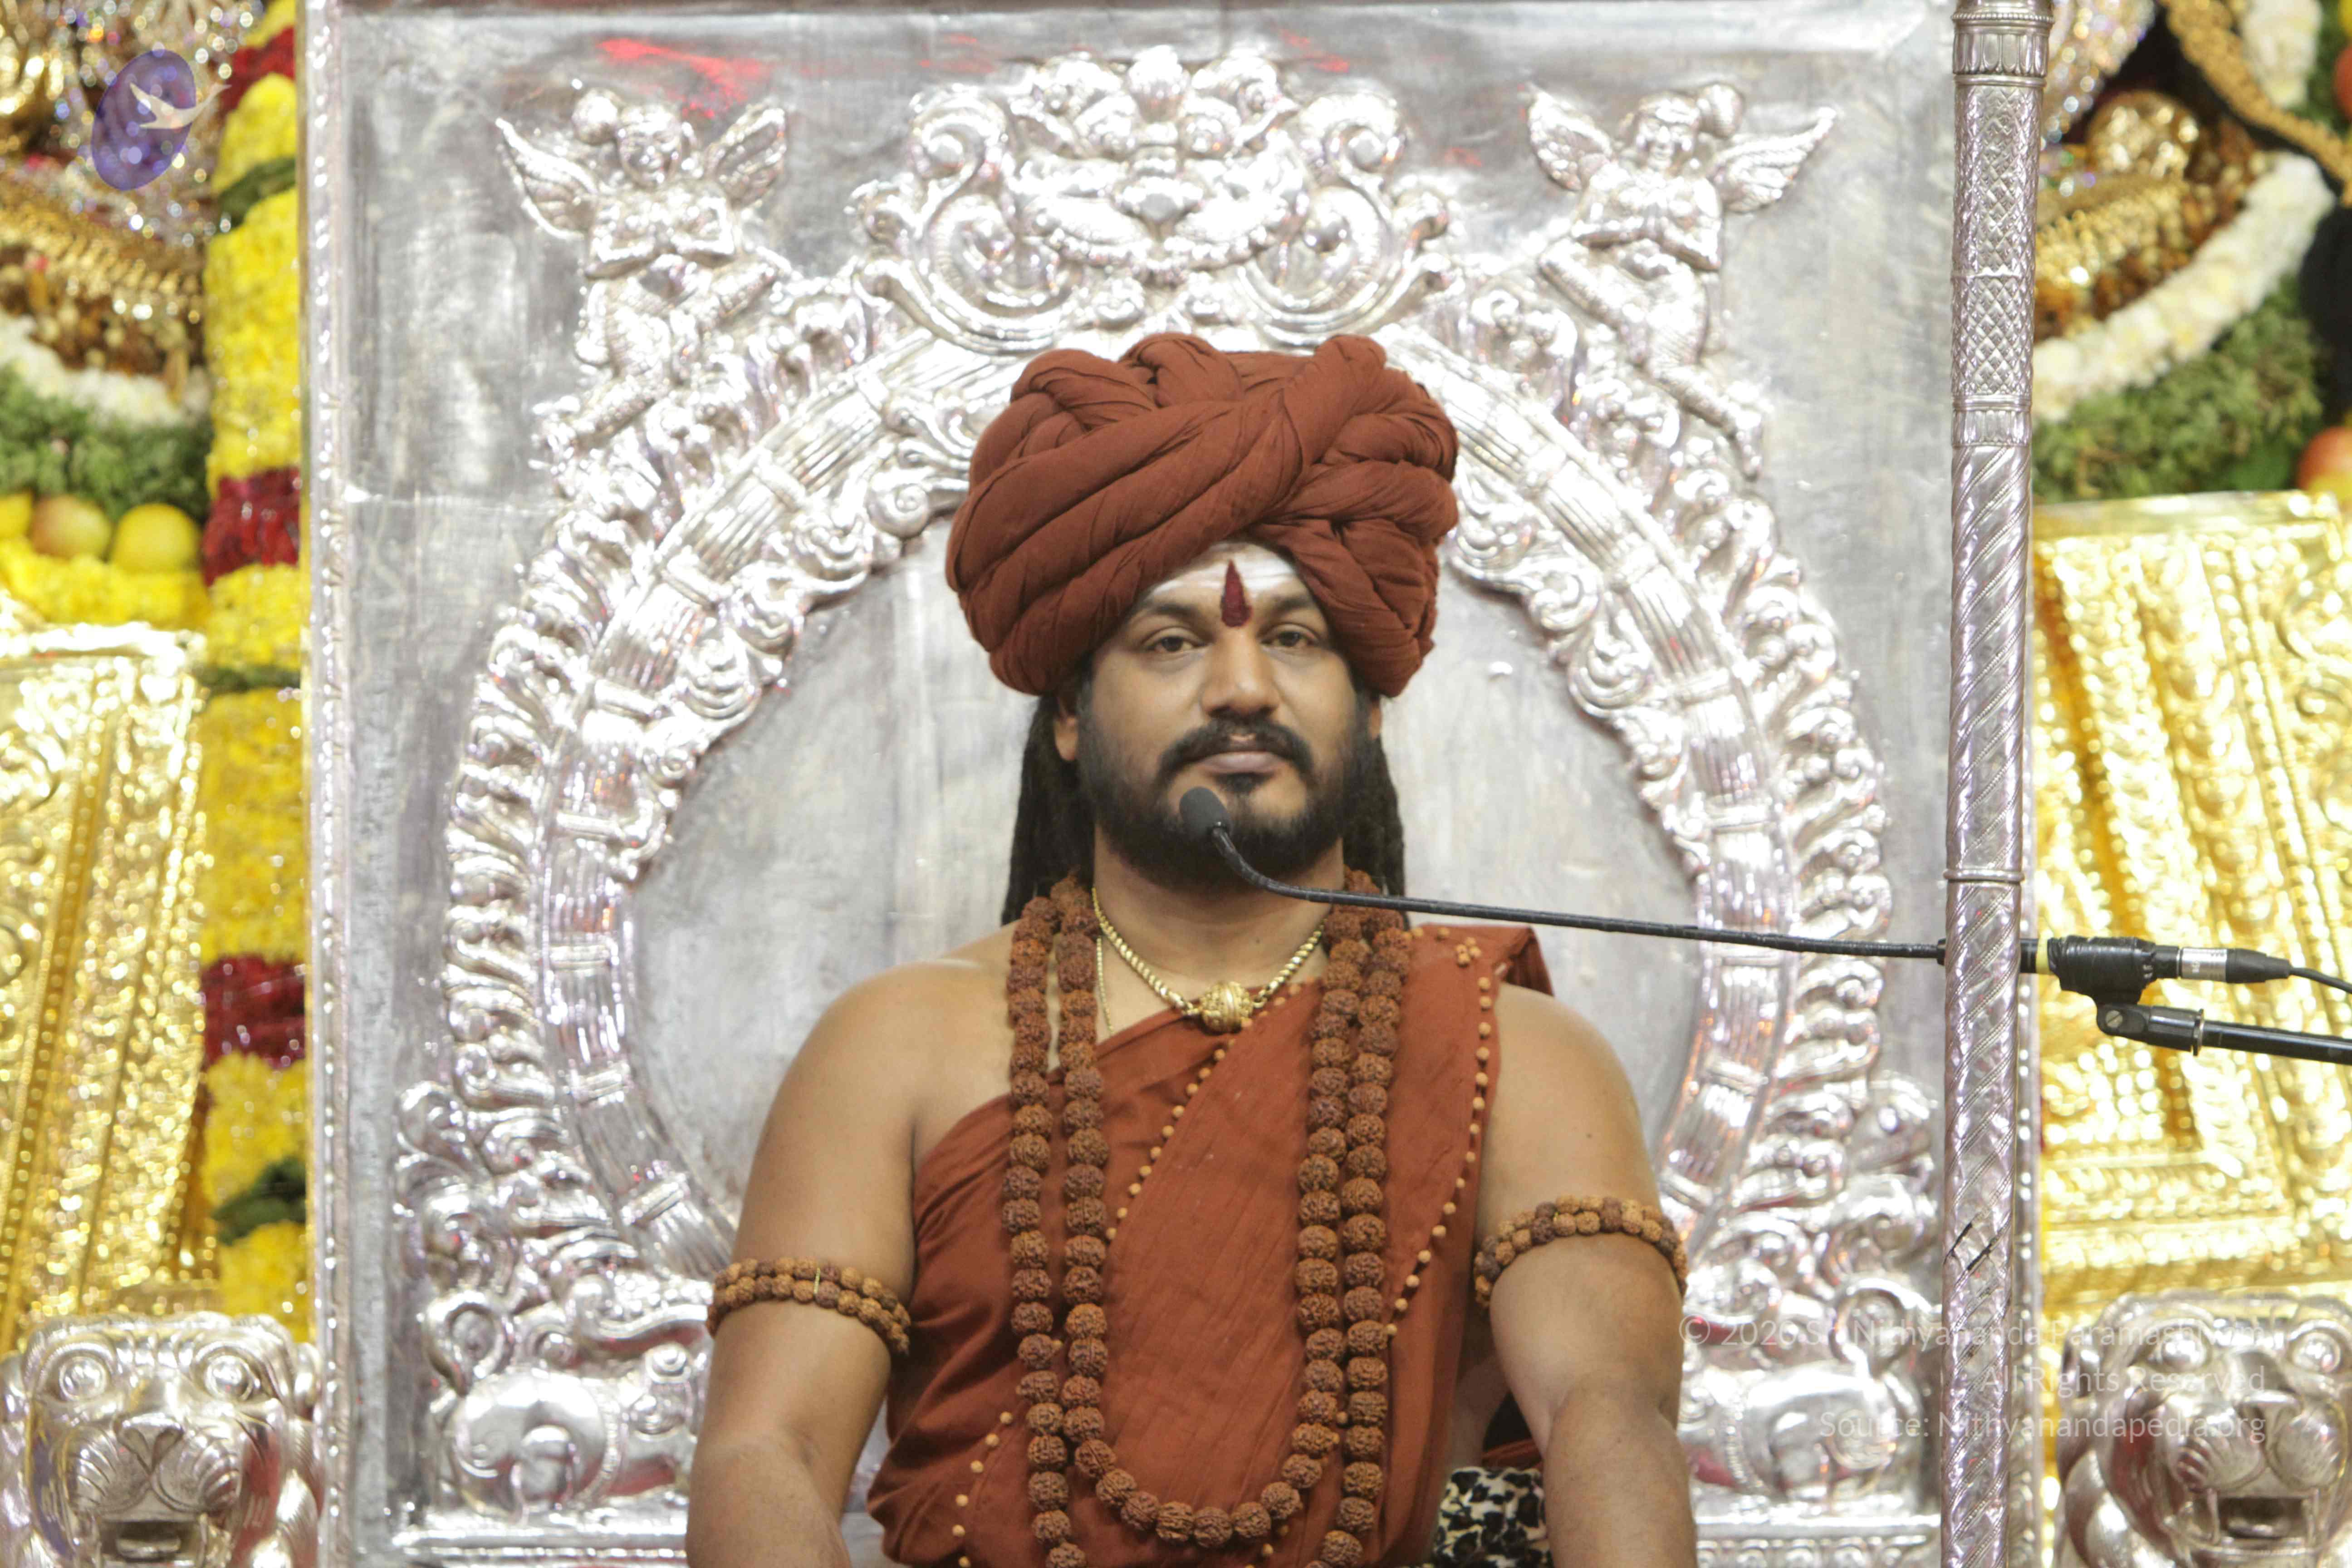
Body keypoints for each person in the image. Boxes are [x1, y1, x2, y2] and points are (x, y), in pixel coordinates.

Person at [686, 333, 1692, 1568]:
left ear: (1371, 707)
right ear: (1068, 714)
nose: (1242, 688)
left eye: (1298, 639)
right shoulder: (897, 1047)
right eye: (1171, 643)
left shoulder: (1513, 1054)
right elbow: (768, 1454)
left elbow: (1608, 1413)